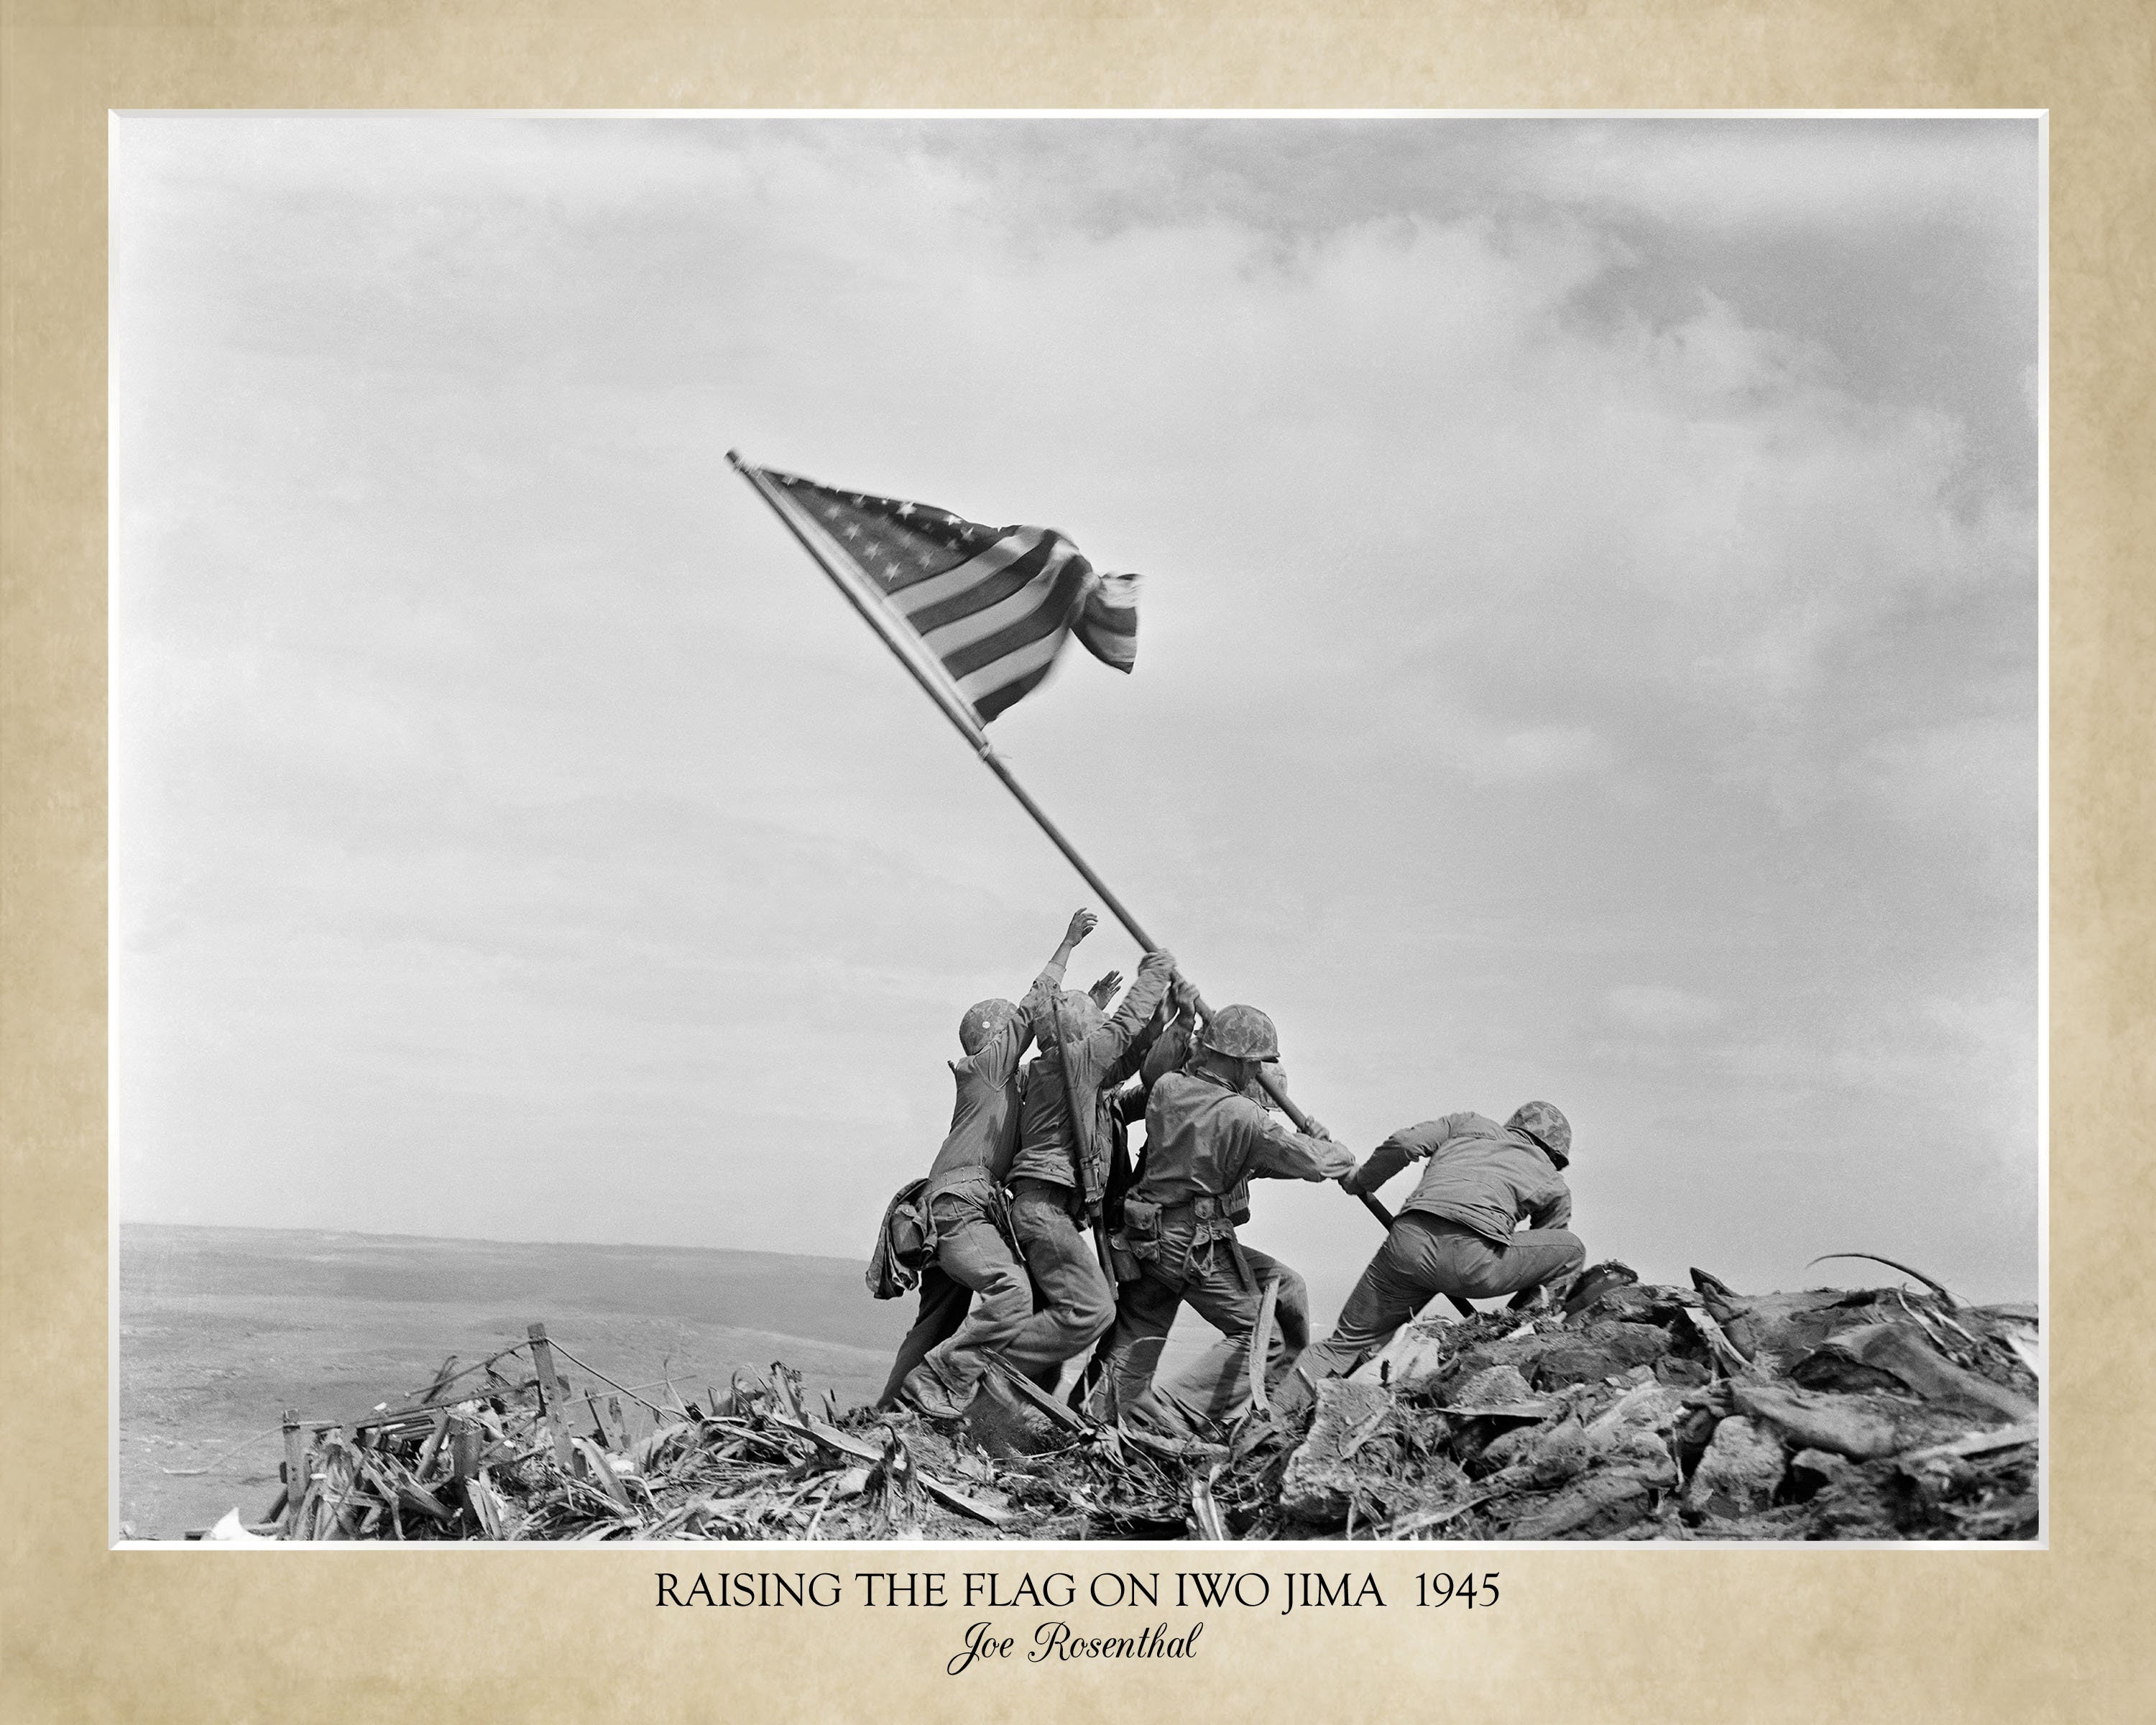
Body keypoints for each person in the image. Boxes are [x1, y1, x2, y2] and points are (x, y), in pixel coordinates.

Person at [1084, 1003, 1355, 1434]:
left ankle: (1097, 1419)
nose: (1256, 1074)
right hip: (1191, 1244)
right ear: (1242, 1061)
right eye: (1255, 1065)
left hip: (1145, 1236)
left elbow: (1243, 1156)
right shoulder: (1244, 1116)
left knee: (1139, 1333)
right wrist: (1333, 1149)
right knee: (1263, 1339)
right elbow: (1317, 1163)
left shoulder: (1169, 1089)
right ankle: (1168, 1415)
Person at [885, 910, 1101, 1419]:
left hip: (948, 1208)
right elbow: (1033, 1010)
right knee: (1011, 1291)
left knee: (937, 1320)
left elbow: (1060, 1060)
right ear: (997, 1037)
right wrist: (1067, 945)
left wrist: (1091, 1009)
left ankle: (888, 1412)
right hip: (961, 1207)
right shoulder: (984, 1070)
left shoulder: (1002, 1086)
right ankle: (944, 1383)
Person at [1290, 1102, 1585, 1394]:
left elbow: (1406, 1143)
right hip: (1473, 1263)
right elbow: (1546, 1253)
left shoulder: (1469, 1123)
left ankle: (1270, 1414)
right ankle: (1515, 1336)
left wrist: (1361, 1180)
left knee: (1343, 1345)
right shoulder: (1553, 1182)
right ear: (1555, 1155)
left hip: (1406, 1246)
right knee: (1571, 1250)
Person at [992, 945, 1181, 1391]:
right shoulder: (1072, 1063)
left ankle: (1006, 1394)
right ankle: (990, 1368)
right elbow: (1123, 1029)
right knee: (1093, 1310)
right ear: (1082, 1034)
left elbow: (1128, 1057)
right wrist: (1155, 974)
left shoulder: (1065, 1070)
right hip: (1044, 1209)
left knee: (1060, 1322)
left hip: (1046, 1209)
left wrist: (1168, 1017)